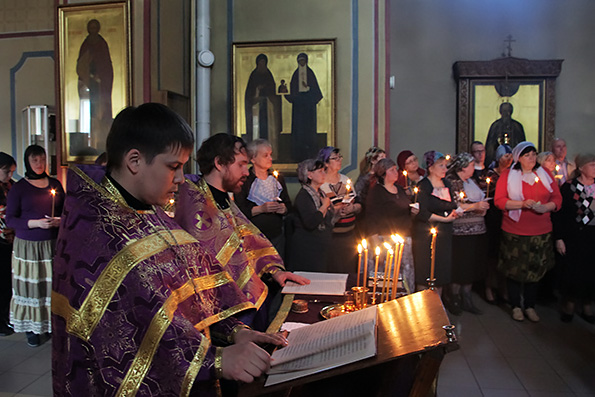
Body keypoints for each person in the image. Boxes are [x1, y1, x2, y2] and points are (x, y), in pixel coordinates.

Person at [52, 104, 287, 396]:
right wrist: (215, 360)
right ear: (135, 161)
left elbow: (186, 299)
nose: (180, 179)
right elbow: (126, 344)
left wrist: (235, 331)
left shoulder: (146, 210)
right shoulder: (98, 234)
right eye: (174, 167)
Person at [174, 133, 308, 331]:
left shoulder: (223, 200)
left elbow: (250, 242)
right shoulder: (196, 206)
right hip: (223, 321)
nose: (246, 172)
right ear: (220, 163)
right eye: (241, 165)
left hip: (248, 310)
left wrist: (274, 272)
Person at [494, 141, 562, 322]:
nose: (532, 158)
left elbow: (557, 197)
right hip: (515, 230)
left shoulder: (545, 173)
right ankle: (516, 305)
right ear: (519, 158)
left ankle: (530, 305)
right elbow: (499, 201)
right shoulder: (508, 175)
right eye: (527, 155)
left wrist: (547, 206)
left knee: (535, 270)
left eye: (533, 154)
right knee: (514, 270)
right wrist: (522, 204)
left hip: (541, 229)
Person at [6, 145, 63, 347]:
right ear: (27, 162)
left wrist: (58, 221)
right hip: (29, 246)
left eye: (42, 160)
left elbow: (66, 212)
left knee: (49, 287)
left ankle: (49, 325)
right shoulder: (20, 188)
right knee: (31, 288)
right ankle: (31, 329)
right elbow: (10, 219)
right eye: (35, 160)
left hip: (50, 245)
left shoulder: (54, 184)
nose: (39, 164)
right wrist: (35, 223)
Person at [445, 153, 490, 315]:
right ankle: (454, 297)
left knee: (471, 266)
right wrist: (476, 206)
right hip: (461, 232)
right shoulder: (453, 182)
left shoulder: (470, 181)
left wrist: (483, 207)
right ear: (463, 167)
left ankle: (467, 297)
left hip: (477, 230)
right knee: (460, 266)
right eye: (471, 165)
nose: (474, 167)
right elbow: (457, 205)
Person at [554, 153, 595, 324]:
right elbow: (560, 215)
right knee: (574, 271)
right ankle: (569, 303)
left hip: (593, 236)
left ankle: (588, 304)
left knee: (591, 271)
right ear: (581, 168)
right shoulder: (569, 187)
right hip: (575, 236)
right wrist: (559, 238)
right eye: (592, 165)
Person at [365, 158, 417, 294]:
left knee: (404, 275)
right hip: (385, 239)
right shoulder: (376, 192)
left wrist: (413, 212)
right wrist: (377, 243)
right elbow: (370, 219)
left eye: (396, 169)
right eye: (392, 170)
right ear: (383, 173)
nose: (396, 172)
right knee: (388, 278)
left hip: (404, 238)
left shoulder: (399, 189)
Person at [234, 139, 291, 258]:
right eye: (265, 155)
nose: (270, 158)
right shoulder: (245, 180)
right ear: (253, 159)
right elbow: (239, 210)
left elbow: (288, 205)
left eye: (270, 155)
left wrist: (283, 209)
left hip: (276, 235)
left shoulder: (277, 179)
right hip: (253, 236)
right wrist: (261, 209)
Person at [412, 151, 458, 294]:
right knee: (426, 271)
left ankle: (438, 306)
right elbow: (422, 212)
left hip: (444, 233)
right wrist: (444, 218)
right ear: (431, 168)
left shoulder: (447, 184)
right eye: (441, 165)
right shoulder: (423, 185)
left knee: (440, 271)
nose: (445, 169)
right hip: (426, 233)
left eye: (445, 166)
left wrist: (454, 213)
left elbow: (453, 204)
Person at [319, 146, 362, 273]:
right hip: (333, 237)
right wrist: (337, 210)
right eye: (335, 158)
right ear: (326, 162)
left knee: (350, 270)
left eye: (340, 157)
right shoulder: (321, 183)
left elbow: (358, 203)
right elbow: (320, 210)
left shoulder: (345, 179)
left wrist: (352, 208)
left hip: (350, 235)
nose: (339, 160)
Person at [287, 159, 334, 272]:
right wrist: (324, 206)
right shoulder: (304, 196)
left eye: (324, 171)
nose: (324, 174)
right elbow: (311, 222)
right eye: (320, 171)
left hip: (320, 246)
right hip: (308, 248)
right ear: (309, 175)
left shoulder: (321, 193)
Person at [76, 19, 114, 151]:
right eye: (90, 27)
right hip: (89, 84)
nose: (93, 30)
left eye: (94, 27)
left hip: (101, 83)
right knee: (92, 112)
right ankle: (92, 140)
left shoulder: (102, 43)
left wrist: (100, 75)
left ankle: (102, 141)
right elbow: (81, 64)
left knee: (102, 111)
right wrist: (90, 75)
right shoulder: (85, 44)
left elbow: (106, 64)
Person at [484, 144, 513, 304]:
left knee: (506, 253)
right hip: (494, 217)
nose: (508, 159)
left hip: (509, 216)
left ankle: (504, 287)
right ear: (498, 158)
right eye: (505, 156)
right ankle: (489, 286)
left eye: (510, 156)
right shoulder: (491, 174)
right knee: (493, 255)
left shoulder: (514, 173)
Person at [285, 53, 323, 161]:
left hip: (309, 105)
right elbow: (292, 90)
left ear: (306, 61)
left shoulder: (310, 73)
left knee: (309, 129)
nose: (301, 63)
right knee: (299, 129)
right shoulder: (295, 74)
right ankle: (298, 154)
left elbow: (317, 92)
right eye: (300, 61)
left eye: (303, 61)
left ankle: (311, 154)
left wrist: (309, 88)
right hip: (298, 105)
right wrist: (287, 94)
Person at [244, 54, 282, 152]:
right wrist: (256, 93)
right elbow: (249, 94)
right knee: (257, 131)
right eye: (260, 63)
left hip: (267, 108)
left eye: (263, 63)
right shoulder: (254, 75)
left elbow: (273, 91)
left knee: (267, 131)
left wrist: (267, 93)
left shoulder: (268, 75)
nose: (262, 65)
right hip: (256, 108)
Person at [0, 153, 16, 336]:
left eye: (12, 172)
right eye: (6, 172)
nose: (10, 176)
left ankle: (5, 316)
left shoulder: (11, 187)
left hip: (9, 240)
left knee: (7, 283)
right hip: (1, 239)